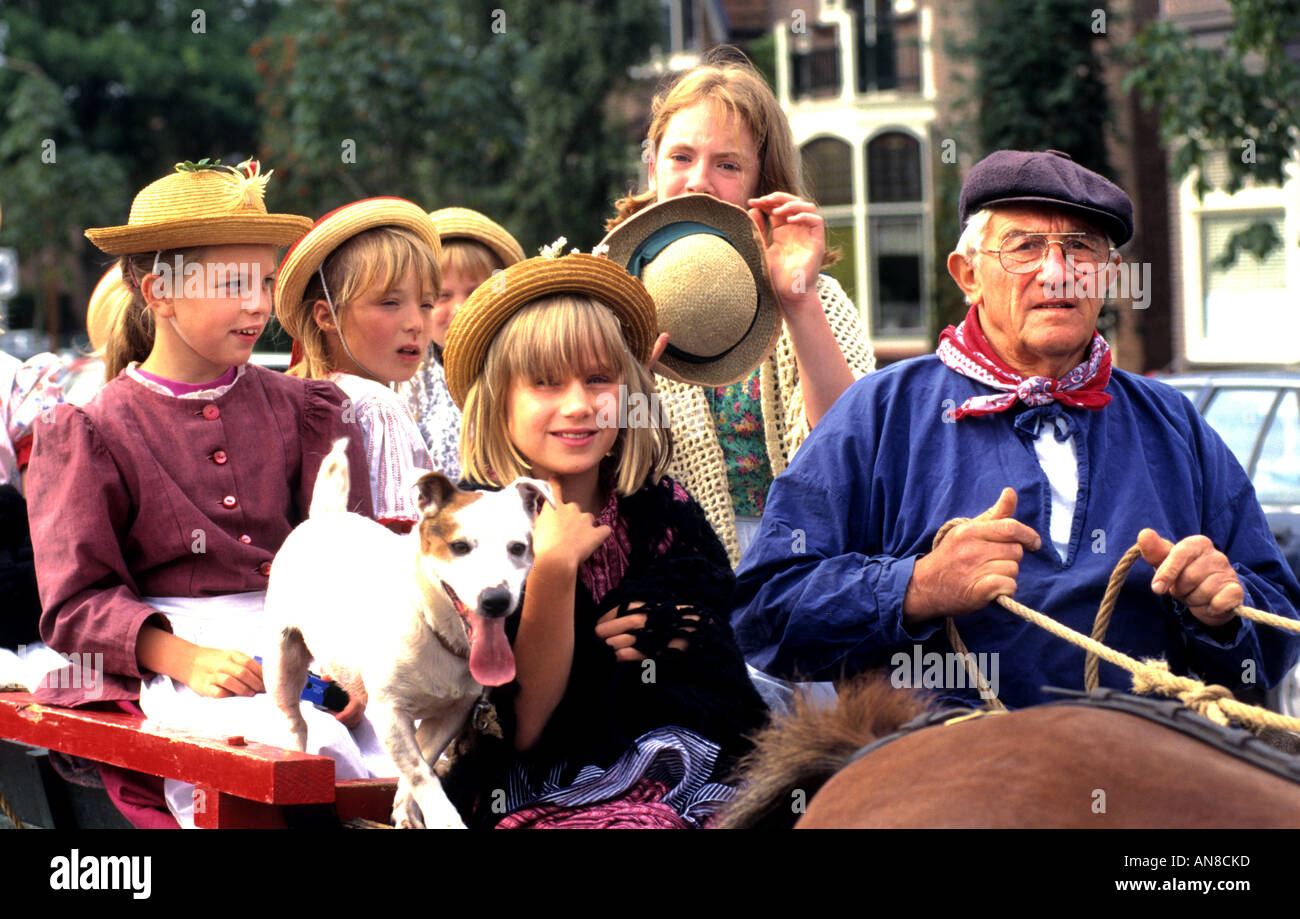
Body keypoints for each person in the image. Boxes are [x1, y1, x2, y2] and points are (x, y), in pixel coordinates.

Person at [730, 149, 1300, 709]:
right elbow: (763, 615)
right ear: (968, 275)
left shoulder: (1173, 425)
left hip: (1146, 765)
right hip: (941, 773)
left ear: (1110, 275)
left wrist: (1221, 613)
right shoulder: (881, 414)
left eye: (1080, 249)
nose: (1056, 274)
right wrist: (917, 586)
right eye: (1024, 247)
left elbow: (1276, 641)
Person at [26, 159, 376, 827]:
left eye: (267, 282)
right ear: (159, 291)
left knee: (419, 732)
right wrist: (181, 656)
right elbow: (76, 604)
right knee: (284, 748)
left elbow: (346, 557)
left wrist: (354, 659)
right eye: (234, 284)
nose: (258, 304)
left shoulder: (309, 408)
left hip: (313, 643)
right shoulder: (91, 430)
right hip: (178, 654)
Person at [440, 248, 767, 828]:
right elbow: (524, 729)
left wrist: (666, 634)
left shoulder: (664, 510)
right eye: (544, 383)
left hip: (694, 758)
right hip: (543, 787)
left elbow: (715, 658)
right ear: (499, 401)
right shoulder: (471, 531)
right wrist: (553, 571)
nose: (578, 405)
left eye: (599, 379)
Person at [606, 48, 875, 566]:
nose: (699, 180)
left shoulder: (815, 294)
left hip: (802, 570)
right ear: (652, 165)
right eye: (680, 157)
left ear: (761, 182)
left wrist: (797, 301)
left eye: (727, 164)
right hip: (664, 574)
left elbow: (852, 445)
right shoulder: (606, 296)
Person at [275, 198, 440, 531]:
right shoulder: (377, 405)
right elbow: (399, 539)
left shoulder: (291, 397)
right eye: (390, 303)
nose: (416, 323)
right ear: (326, 316)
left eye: (426, 304)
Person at [399, 207, 524, 480]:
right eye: (442, 296)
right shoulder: (404, 384)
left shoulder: (520, 369)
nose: (460, 308)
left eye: (475, 292)